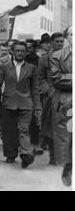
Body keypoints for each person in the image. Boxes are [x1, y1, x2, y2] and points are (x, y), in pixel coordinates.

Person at [0, 41, 41, 168]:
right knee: (9, 131)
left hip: (26, 103)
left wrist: (37, 106)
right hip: (8, 103)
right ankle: (11, 154)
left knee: (24, 129)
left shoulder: (32, 68)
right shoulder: (4, 66)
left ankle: (26, 154)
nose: (20, 53)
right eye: (17, 51)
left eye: (22, 51)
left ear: (26, 53)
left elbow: (35, 89)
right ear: (12, 52)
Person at [50, 26, 72, 187]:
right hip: (65, 102)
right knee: (66, 138)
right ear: (66, 38)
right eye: (71, 34)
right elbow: (57, 79)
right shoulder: (57, 56)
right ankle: (68, 166)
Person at [38, 32, 64, 164]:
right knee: (52, 127)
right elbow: (40, 77)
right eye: (57, 41)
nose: (60, 44)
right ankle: (53, 157)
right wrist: (48, 89)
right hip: (52, 97)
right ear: (52, 42)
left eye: (61, 41)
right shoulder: (44, 59)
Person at [25, 39, 43, 155]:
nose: (27, 51)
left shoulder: (38, 61)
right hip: (22, 94)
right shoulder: (20, 60)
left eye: (30, 48)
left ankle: (35, 144)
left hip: (35, 94)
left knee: (35, 121)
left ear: (34, 48)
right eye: (26, 48)